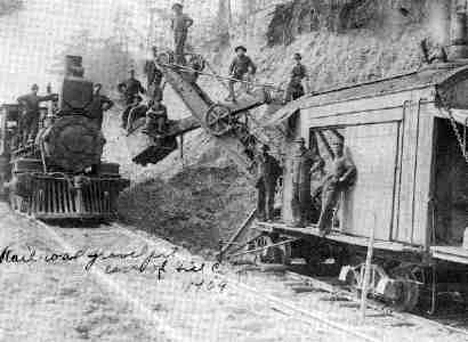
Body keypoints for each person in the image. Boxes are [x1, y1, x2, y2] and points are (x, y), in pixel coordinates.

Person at [317, 137, 356, 236]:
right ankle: (326, 228)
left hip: (335, 186)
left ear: (341, 148)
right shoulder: (335, 160)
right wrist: (324, 180)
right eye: (334, 147)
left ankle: (321, 227)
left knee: (327, 207)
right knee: (325, 206)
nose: (335, 149)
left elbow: (352, 168)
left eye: (337, 147)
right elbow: (331, 172)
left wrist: (343, 178)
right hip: (328, 185)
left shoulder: (344, 159)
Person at [291, 137, 324, 227]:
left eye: (301, 143)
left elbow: (320, 161)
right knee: (294, 200)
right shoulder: (295, 154)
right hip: (295, 181)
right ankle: (296, 220)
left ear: (303, 143)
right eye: (297, 143)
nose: (299, 144)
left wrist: (312, 170)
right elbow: (292, 164)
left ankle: (303, 221)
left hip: (304, 181)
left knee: (303, 200)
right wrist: (291, 172)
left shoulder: (308, 153)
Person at [255, 144, 282, 221]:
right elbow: (258, 170)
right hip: (261, 181)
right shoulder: (258, 159)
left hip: (270, 181)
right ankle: (261, 216)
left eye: (264, 150)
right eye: (261, 150)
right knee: (260, 199)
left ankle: (269, 216)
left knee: (270, 199)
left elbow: (278, 171)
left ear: (266, 151)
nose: (262, 151)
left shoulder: (272, 159)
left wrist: (273, 179)